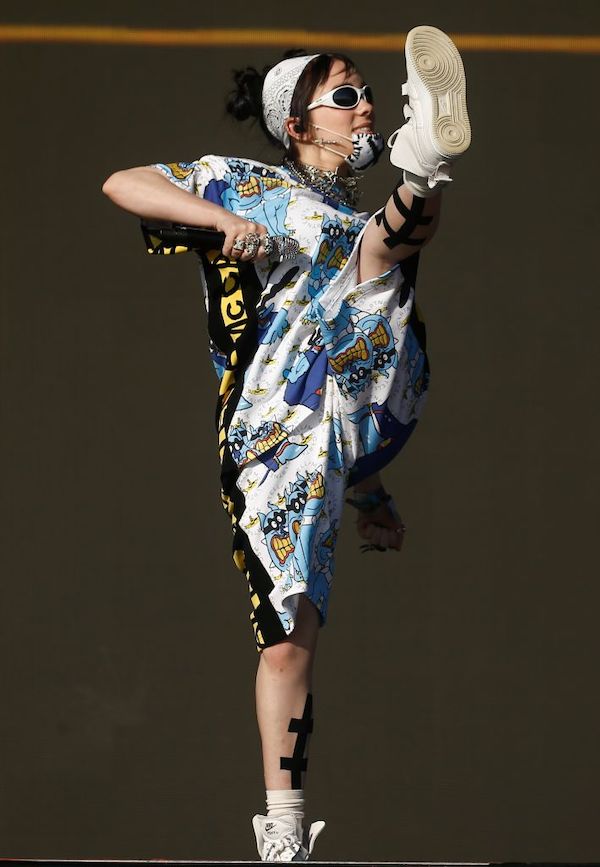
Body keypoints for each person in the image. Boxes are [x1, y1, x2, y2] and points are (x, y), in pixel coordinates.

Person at [102, 24, 470, 862]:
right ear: (297, 125)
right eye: (344, 96)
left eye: (367, 91)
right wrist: (215, 218)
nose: (361, 102)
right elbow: (123, 182)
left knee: (378, 251)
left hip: (368, 396)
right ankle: (284, 831)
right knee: (289, 635)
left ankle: (426, 161)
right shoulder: (248, 181)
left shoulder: (351, 214)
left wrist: (369, 483)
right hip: (280, 431)